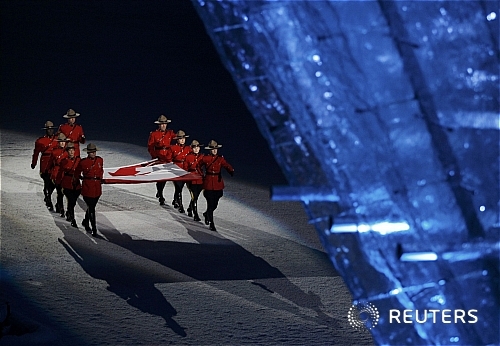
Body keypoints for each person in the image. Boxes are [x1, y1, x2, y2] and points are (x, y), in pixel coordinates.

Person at [199, 140, 234, 231]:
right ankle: (212, 223)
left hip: (218, 183)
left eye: (216, 149)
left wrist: (230, 170)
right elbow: (198, 166)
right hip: (209, 183)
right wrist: (200, 174)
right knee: (210, 204)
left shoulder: (220, 159)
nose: (215, 151)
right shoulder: (205, 159)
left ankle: (207, 214)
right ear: (210, 150)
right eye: (213, 149)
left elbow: (225, 165)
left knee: (215, 204)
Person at [75, 143, 104, 236]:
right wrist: (80, 178)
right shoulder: (83, 162)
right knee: (91, 208)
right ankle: (94, 229)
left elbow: (101, 171)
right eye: (91, 152)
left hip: (97, 188)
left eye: (94, 151)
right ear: (88, 152)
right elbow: (77, 172)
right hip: (88, 188)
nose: (93, 153)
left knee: (91, 207)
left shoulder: (100, 160)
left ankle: (85, 221)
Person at [147, 115, 175, 205]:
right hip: (158, 157)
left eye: (165, 124)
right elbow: (150, 147)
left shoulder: (170, 133)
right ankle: (161, 195)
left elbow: (178, 140)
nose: (163, 125)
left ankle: (160, 191)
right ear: (159, 125)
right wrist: (155, 156)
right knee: (160, 177)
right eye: (162, 124)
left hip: (167, 157)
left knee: (165, 177)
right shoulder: (154, 134)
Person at [31, 121, 58, 211]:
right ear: (46, 130)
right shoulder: (40, 141)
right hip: (45, 163)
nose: (50, 130)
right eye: (49, 129)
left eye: (51, 129)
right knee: (47, 181)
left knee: (54, 183)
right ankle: (48, 200)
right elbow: (36, 153)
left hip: (54, 163)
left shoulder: (57, 139)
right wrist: (34, 163)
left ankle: (47, 194)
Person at [60, 142, 81, 227]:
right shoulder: (64, 161)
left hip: (77, 185)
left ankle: (69, 211)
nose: (72, 152)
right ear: (67, 151)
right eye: (70, 150)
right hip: (67, 184)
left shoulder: (79, 161)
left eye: (73, 150)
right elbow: (60, 173)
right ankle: (73, 219)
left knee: (73, 202)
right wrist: (59, 184)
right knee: (71, 201)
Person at [48, 133, 69, 217]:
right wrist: (52, 174)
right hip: (57, 174)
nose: (62, 143)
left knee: (65, 193)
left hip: (65, 174)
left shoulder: (69, 152)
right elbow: (50, 164)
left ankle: (59, 206)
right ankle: (61, 209)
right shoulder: (54, 152)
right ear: (58, 142)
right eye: (61, 141)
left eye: (64, 141)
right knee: (60, 192)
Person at [170, 130, 191, 213]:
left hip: (185, 170)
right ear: (177, 139)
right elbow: (169, 159)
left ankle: (175, 200)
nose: (182, 140)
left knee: (180, 187)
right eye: (180, 138)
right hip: (176, 170)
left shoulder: (188, 148)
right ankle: (180, 205)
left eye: (183, 138)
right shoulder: (173, 148)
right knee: (178, 187)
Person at [183, 140, 204, 221]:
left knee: (196, 197)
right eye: (194, 148)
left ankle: (189, 208)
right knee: (194, 196)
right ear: (191, 148)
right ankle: (195, 215)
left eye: (198, 147)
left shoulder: (202, 157)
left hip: (200, 179)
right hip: (191, 180)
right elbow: (185, 169)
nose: (196, 149)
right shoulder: (188, 157)